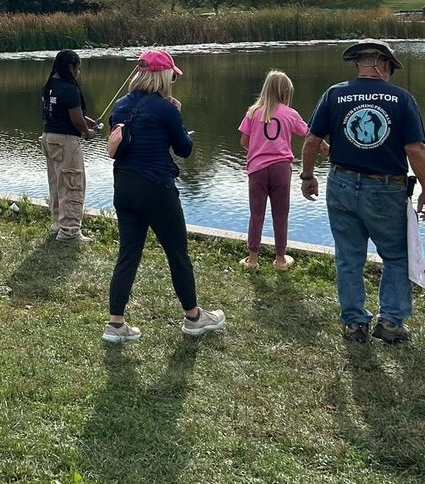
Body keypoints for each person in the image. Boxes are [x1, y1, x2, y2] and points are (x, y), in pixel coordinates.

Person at [300, 39, 425, 344]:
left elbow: (310, 141)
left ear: (356, 63)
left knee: (348, 256)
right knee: (396, 255)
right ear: (384, 64)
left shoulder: (334, 94)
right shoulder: (402, 99)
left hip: (341, 183)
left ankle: (354, 323)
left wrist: (307, 176)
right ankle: (390, 322)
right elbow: (414, 148)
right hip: (385, 189)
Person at [102, 48, 226, 344]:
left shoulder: (120, 106)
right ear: (162, 75)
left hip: (125, 187)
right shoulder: (166, 109)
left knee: (128, 253)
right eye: (173, 74)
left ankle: (115, 323)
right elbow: (184, 149)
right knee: (177, 253)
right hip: (157, 188)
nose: (174, 78)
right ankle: (194, 318)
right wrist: (178, 118)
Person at [237, 70, 310, 270]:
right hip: (281, 169)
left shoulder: (252, 112)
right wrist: (327, 148)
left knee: (256, 214)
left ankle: (252, 259)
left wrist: (259, 148)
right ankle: (280, 260)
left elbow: (244, 141)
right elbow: (309, 135)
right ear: (286, 92)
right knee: (280, 214)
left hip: (257, 170)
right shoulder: (290, 114)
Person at [39, 49, 96, 243]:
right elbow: (75, 119)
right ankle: (70, 231)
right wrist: (88, 133)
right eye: (77, 68)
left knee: (57, 184)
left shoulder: (50, 86)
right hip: (65, 142)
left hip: (48, 138)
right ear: (70, 67)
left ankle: (58, 225)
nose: (78, 72)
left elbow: (67, 112)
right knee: (72, 184)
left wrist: (87, 121)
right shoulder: (69, 88)